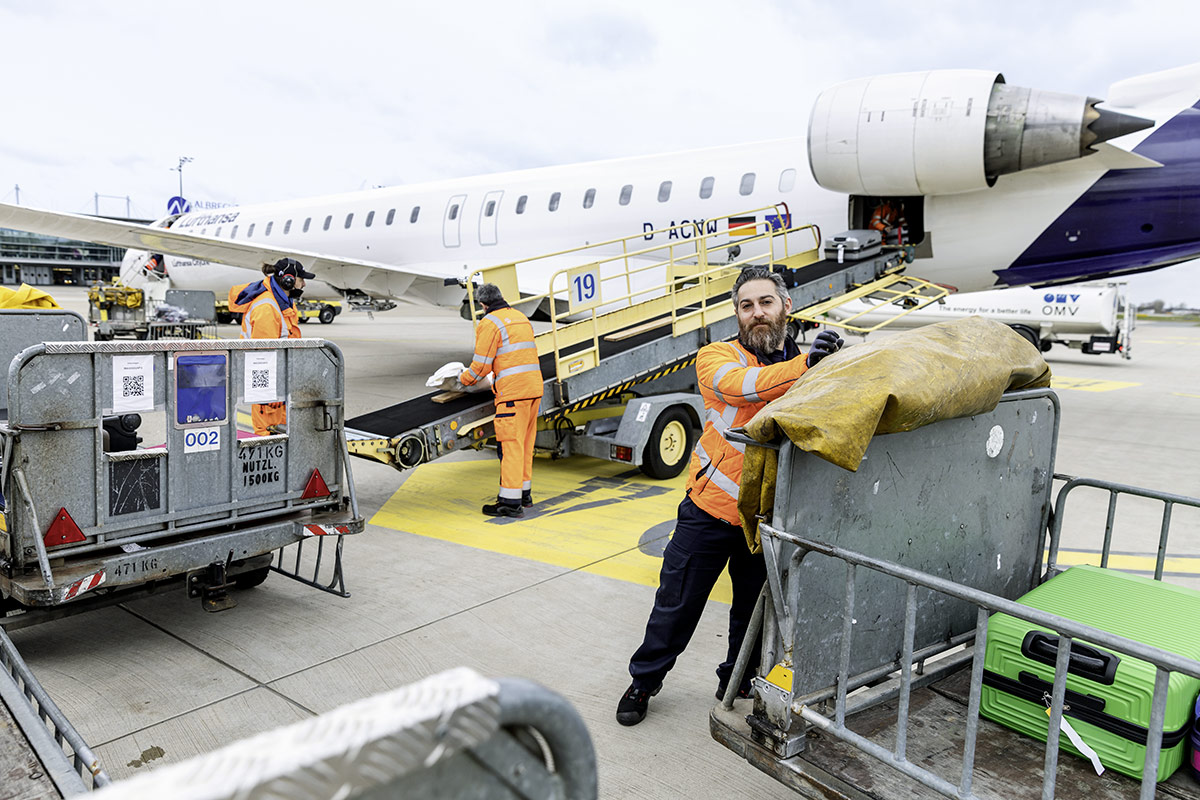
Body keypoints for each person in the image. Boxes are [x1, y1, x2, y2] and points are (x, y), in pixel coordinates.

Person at [616, 266, 843, 726]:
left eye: (765, 303)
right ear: (737, 314)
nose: (757, 313)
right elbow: (744, 388)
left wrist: (830, 365)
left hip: (766, 519)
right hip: (711, 512)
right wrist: (808, 368)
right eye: (746, 306)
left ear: (786, 307)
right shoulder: (716, 357)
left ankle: (735, 679)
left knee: (753, 616)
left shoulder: (809, 361)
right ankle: (644, 681)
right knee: (677, 604)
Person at [459, 283, 544, 518]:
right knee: (526, 445)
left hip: (512, 396)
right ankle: (524, 495)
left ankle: (509, 503)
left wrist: (462, 380)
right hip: (534, 389)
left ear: (483, 304)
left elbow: (481, 366)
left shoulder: (490, 323)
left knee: (511, 448)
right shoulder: (520, 318)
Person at [228, 257, 316, 435]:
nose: (304, 284)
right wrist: (270, 394)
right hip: (268, 387)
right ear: (288, 280)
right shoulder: (267, 307)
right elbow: (263, 357)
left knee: (282, 434)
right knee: (268, 435)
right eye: (301, 279)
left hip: (279, 382)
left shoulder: (282, 302)